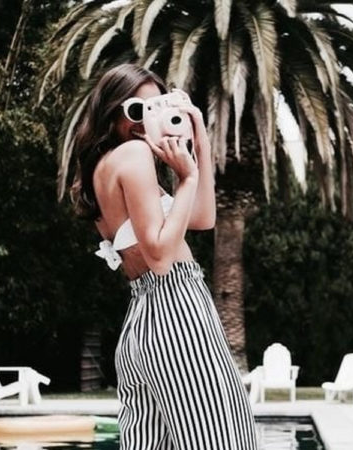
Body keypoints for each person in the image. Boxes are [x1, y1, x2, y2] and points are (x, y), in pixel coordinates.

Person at [71, 63, 257, 450]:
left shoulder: (102, 168)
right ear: (112, 114)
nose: (147, 121)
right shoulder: (134, 153)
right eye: (137, 110)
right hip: (178, 314)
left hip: (142, 325)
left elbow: (202, 218)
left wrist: (198, 142)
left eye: (158, 107)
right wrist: (186, 178)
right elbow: (159, 256)